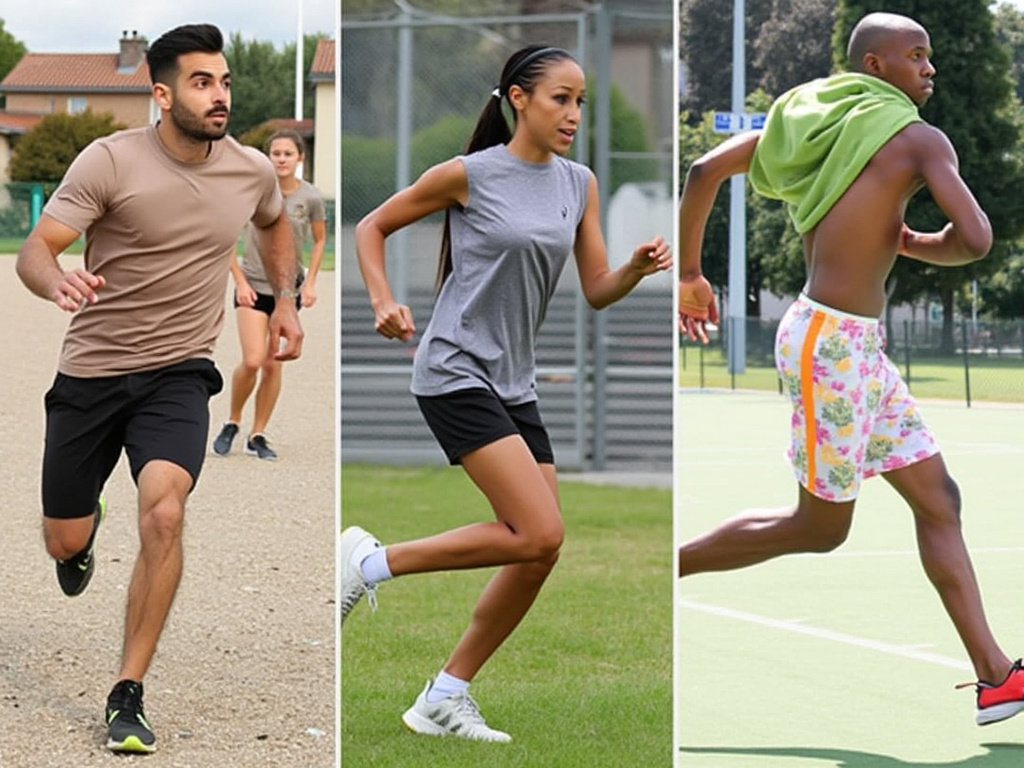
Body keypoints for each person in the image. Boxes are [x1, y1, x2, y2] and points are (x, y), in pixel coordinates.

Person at [676, 11, 1024, 727]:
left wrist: (689, 274)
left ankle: (997, 677)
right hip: (831, 345)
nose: (930, 68)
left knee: (939, 498)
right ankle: (666, 569)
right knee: (820, 528)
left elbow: (703, 169)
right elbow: (977, 239)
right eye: (916, 56)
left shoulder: (814, 123)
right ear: (876, 67)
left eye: (930, 56)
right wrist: (917, 241)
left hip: (850, 343)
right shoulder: (920, 140)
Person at [341, 45, 672, 742]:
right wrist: (381, 298)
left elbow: (597, 289)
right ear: (517, 98)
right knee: (542, 529)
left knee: (539, 550)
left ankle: (443, 696)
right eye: (561, 98)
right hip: (454, 369)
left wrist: (636, 269)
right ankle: (367, 564)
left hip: (513, 383)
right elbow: (371, 226)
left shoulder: (577, 183)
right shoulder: (468, 174)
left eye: (581, 100)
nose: (574, 114)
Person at [15, 23, 303, 754]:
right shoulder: (109, 160)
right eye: (203, 82)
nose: (220, 96)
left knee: (166, 513)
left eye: (226, 81)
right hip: (91, 373)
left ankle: (127, 691)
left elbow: (273, 224)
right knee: (62, 538)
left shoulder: (249, 169)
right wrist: (59, 281)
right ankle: (80, 537)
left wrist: (288, 301)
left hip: (178, 372)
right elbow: (36, 250)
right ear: (162, 93)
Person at [212, 129, 326, 460]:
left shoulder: (312, 198)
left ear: (300, 158)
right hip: (253, 285)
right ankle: (232, 421)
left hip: (287, 292)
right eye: (275, 153)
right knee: (252, 360)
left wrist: (312, 282)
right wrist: (240, 282)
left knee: (273, 365)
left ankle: (257, 434)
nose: (281, 159)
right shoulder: (252, 195)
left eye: (288, 153)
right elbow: (227, 239)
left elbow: (319, 241)